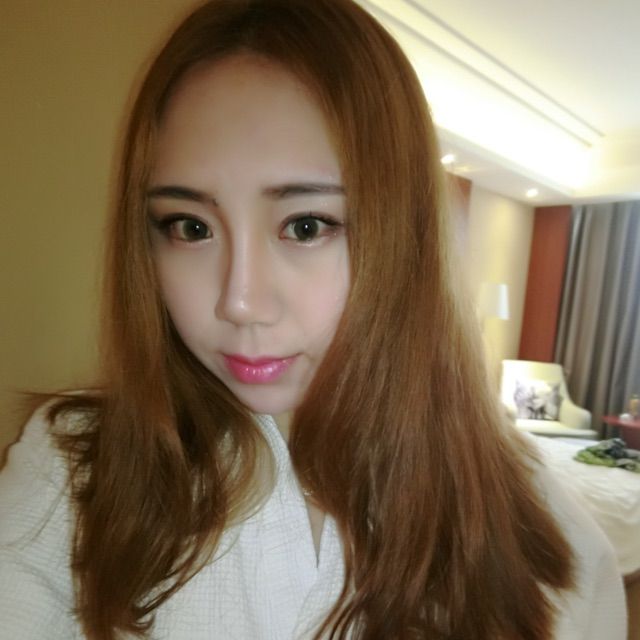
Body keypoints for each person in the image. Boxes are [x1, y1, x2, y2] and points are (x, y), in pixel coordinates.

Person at [0, 0, 626, 638]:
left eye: (305, 226)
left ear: (405, 239)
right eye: (190, 227)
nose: (240, 302)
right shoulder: (73, 472)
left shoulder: (555, 548)